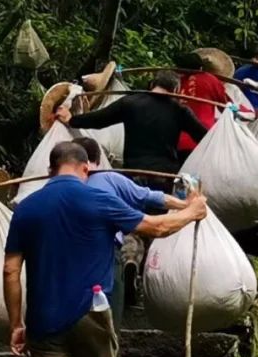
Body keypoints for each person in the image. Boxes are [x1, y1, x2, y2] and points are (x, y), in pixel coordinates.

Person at [3, 141, 207, 357]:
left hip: (44, 319)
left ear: (51, 170)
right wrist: (192, 211)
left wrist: (16, 323)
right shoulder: (97, 198)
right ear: (86, 169)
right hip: (92, 313)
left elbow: (10, 270)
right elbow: (155, 227)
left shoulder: (27, 208)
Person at [70, 137, 188, 330]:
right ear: (98, 161)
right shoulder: (108, 179)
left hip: (67, 258)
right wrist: (186, 206)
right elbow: (152, 199)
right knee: (108, 324)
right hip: (107, 257)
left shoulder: (56, 189)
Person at [55, 71, 207, 174]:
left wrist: (71, 119)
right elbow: (203, 137)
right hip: (165, 174)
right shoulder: (180, 110)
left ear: (152, 84)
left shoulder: (130, 103)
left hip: (134, 171)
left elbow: (99, 119)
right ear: (175, 89)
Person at [174, 52, 231, 154]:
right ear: (201, 67)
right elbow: (226, 107)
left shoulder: (175, 82)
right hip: (203, 138)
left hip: (176, 140)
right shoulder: (211, 80)